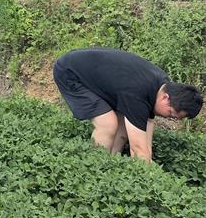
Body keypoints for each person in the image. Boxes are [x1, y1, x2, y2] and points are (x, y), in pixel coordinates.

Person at [53, 47, 203, 162]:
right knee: (108, 124)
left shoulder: (162, 85)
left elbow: (147, 124)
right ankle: (93, 168)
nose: (168, 117)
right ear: (165, 98)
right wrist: (149, 176)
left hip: (97, 74)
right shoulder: (138, 93)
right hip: (70, 73)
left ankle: (112, 163)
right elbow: (138, 150)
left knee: (124, 130)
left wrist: (148, 158)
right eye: (171, 113)